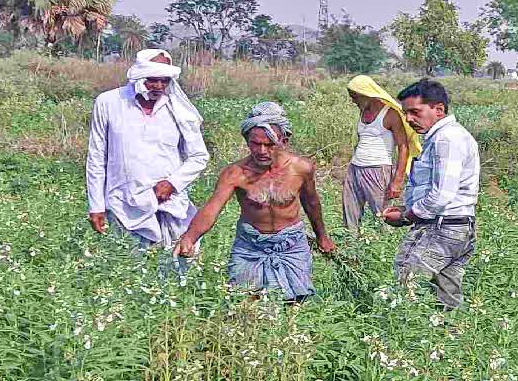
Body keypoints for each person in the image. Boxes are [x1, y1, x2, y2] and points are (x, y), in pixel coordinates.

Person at [175, 102, 336, 301]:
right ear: (247, 141)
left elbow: (311, 203)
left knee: (295, 302)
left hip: (291, 244)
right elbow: (211, 209)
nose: (261, 150)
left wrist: (322, 237)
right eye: (254, 143)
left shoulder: (300, 168)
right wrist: (190, 237)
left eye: (269, 144)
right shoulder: (235, 174)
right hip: (250, 245)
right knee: (245, 301)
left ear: (283, 141)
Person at [85, 49, 209, 263]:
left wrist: (173, 183)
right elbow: (97, 157)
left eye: (164, 81)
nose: (159, 87)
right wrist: (96, 206)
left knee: (176, 267)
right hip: (124, 202)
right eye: (152, 81)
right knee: (126, 268)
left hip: (170, 203)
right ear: (139, 77)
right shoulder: (109, 103)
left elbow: (199, 156)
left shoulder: (177, 107)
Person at [381, 79, 479, 310]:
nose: (409, 119)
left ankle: (397, 336)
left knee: (405, 281)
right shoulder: (443, 137)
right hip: (457, 227)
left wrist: (407, 216)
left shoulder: (447, 139)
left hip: (443, 229)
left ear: (438, 109)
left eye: (415, 112)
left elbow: (442, 195)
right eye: (405, 113)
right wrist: (408, 209)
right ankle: (451, 337)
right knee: (447, 297)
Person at [343, 75, 419, 230]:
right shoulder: (363, 111)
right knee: (350, 212)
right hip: (355, 168)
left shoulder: (390, 114)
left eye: (355, 97)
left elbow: (403, 146)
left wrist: (397, 180)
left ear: (366, 94)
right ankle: (351, 246)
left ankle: (384, 248)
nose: (353, 101)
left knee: (383, 215)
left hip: (378, 169)